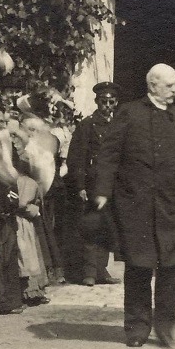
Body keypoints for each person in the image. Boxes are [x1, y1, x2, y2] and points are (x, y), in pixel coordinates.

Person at [92, 64, 175, 348]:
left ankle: (165, 326)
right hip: (136, 204)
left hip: (171, 206)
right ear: (152, 86)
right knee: (139, 267)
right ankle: (137, 328)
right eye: (170, 85)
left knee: (171, 267)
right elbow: (109, 154)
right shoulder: (129, 112)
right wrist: (102, 190)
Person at [66, 82, 119, 286]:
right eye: (103, 101)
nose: (107, 105)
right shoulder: (87, 125)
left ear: (116, 102)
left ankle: (101, 270)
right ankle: (89, 271)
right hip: (92, 184)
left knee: (107, 226)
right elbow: (76, 158)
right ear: (97, 102)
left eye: (111, 102)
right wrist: (80, 186)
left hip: (113, 184)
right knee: (91, 226)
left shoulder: (120, 124)